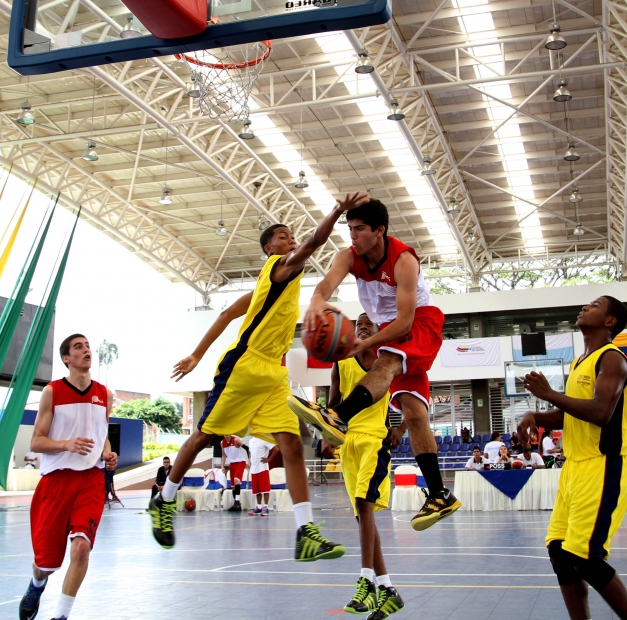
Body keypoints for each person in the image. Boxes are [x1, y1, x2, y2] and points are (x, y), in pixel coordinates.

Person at [149, 192, 367, 560]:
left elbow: (224, 316)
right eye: (282, 236)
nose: (291, 239)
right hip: (245, 366)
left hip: (273, 372)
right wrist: (337, 211)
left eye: (291, 235)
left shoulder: (267, 288)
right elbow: (315, 242)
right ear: (270, 248)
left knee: (293, 445)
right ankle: (164, 498)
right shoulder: (281, 266)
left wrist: (195, 354)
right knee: (204, 436)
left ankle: (305, 532)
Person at [288, 198, 461, 530]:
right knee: (413, 412)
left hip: (419, 323)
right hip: (388, 328)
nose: (353, 235)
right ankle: (440, 493)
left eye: (360, 229)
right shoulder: (349, 257)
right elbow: (326, 285)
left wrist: (365, 342)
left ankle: (338, 416)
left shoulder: (404, 260)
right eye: (350, 228)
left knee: (387, 362)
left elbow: (407, 322)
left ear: (379, 231)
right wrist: (315, 302)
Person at [517, 296, 627, 620]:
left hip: (604, 465)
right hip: (574, 467)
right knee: (560, 552)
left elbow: (602, 412)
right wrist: (536, 414)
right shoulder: (579, 362)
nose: (585, 307)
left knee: (584, 556)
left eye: (595, 305)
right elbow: (571, 415)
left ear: (609, 321)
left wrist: (547, 393)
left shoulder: (613, 359)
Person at [19, 334, 118, 620]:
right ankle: (37, 584)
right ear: (67, 358)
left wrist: (107, 454)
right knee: (46, 563)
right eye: (78, 347)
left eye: (87, 346)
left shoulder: (104, 394)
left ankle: (60, 616)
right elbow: (36, 442)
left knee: (82, 547)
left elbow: (103, 438)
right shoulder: (52, 392)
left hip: (90, 480)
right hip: (56, 481)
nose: (86, 350)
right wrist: (66, 444)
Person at [326, 309, 405, 619]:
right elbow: (334, 405)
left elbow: (411, 399)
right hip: (349, 445)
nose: (360, 328)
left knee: (364, 503)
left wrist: (399, 429)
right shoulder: (341, 362)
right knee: (362, 516)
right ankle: (388, 589)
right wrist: (323, 429)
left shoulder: (389, 363)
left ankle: (366, 581)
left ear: (379, 330)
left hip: (375, 440)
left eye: (366, 325)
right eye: (358, 325)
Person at [221, 434, 248, 511]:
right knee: (233, 485)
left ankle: (237, 502)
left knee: (237, 480)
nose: (227, 436)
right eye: (225, 435)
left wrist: (249, 460)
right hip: (232, 463)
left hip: (240, 462)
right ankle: (236, 504)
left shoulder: (236, 440)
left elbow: (247, 448)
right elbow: (223, 455)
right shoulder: (222, 443)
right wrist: (222, 465)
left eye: (228, 435)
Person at [247, 435, 273, 516]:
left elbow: (276, 449)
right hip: (254, 469)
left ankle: (266, 507)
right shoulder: (251, 441)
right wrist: (250, 461)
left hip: (262, 467)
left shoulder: (265, 438)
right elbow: (250, 452)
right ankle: (259, 507)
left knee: (265, 489)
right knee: (257, 489)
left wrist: (268, 459)